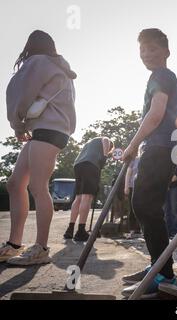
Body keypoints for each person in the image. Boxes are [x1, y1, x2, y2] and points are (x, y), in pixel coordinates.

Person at [1, 30, 76, 265]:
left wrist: (16, 123)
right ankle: (15, 244)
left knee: (37, 185)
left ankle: (41, 248)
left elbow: (18, 93)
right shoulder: (60, 66)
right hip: (51, 129)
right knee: (15, 184)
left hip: (48, 128)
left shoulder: (38, 62)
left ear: (30, 46)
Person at [120, 28, 177, 298]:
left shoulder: (162, 76)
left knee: (145, 206)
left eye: (152, 49)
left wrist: (132, 145)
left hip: (160, 147)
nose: (146, 54)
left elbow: (155, 115)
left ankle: (165, 275)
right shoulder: (160, 78)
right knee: (147, 207)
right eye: (142, 50)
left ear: (166, 52)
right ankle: (158, 266)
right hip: (157, 148)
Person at [63, 137, 114, 241]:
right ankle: (81, 231)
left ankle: (70, 229)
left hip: (78, 165)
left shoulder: (90, 143)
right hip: (90, 165)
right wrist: (104, 156)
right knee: (87, 197)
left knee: (78, 197)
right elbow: (106, 140)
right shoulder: (105, 140)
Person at [124, 145, 143, 238]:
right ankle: (132, 230)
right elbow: (128, 173)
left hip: (144, 188)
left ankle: (141, 229)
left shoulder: (149, 161)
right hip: (133, 187)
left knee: (143, 209)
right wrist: (126, 187)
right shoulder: (134, 161)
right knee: (132, 209)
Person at [164, 163, 177, 238]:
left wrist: (166, 182)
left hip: (174, 188)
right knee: (165, 211)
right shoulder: (164, 160)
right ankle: (166, 232)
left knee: (174, 210)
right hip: (164, 188)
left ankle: (175, 232)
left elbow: (175, 177)